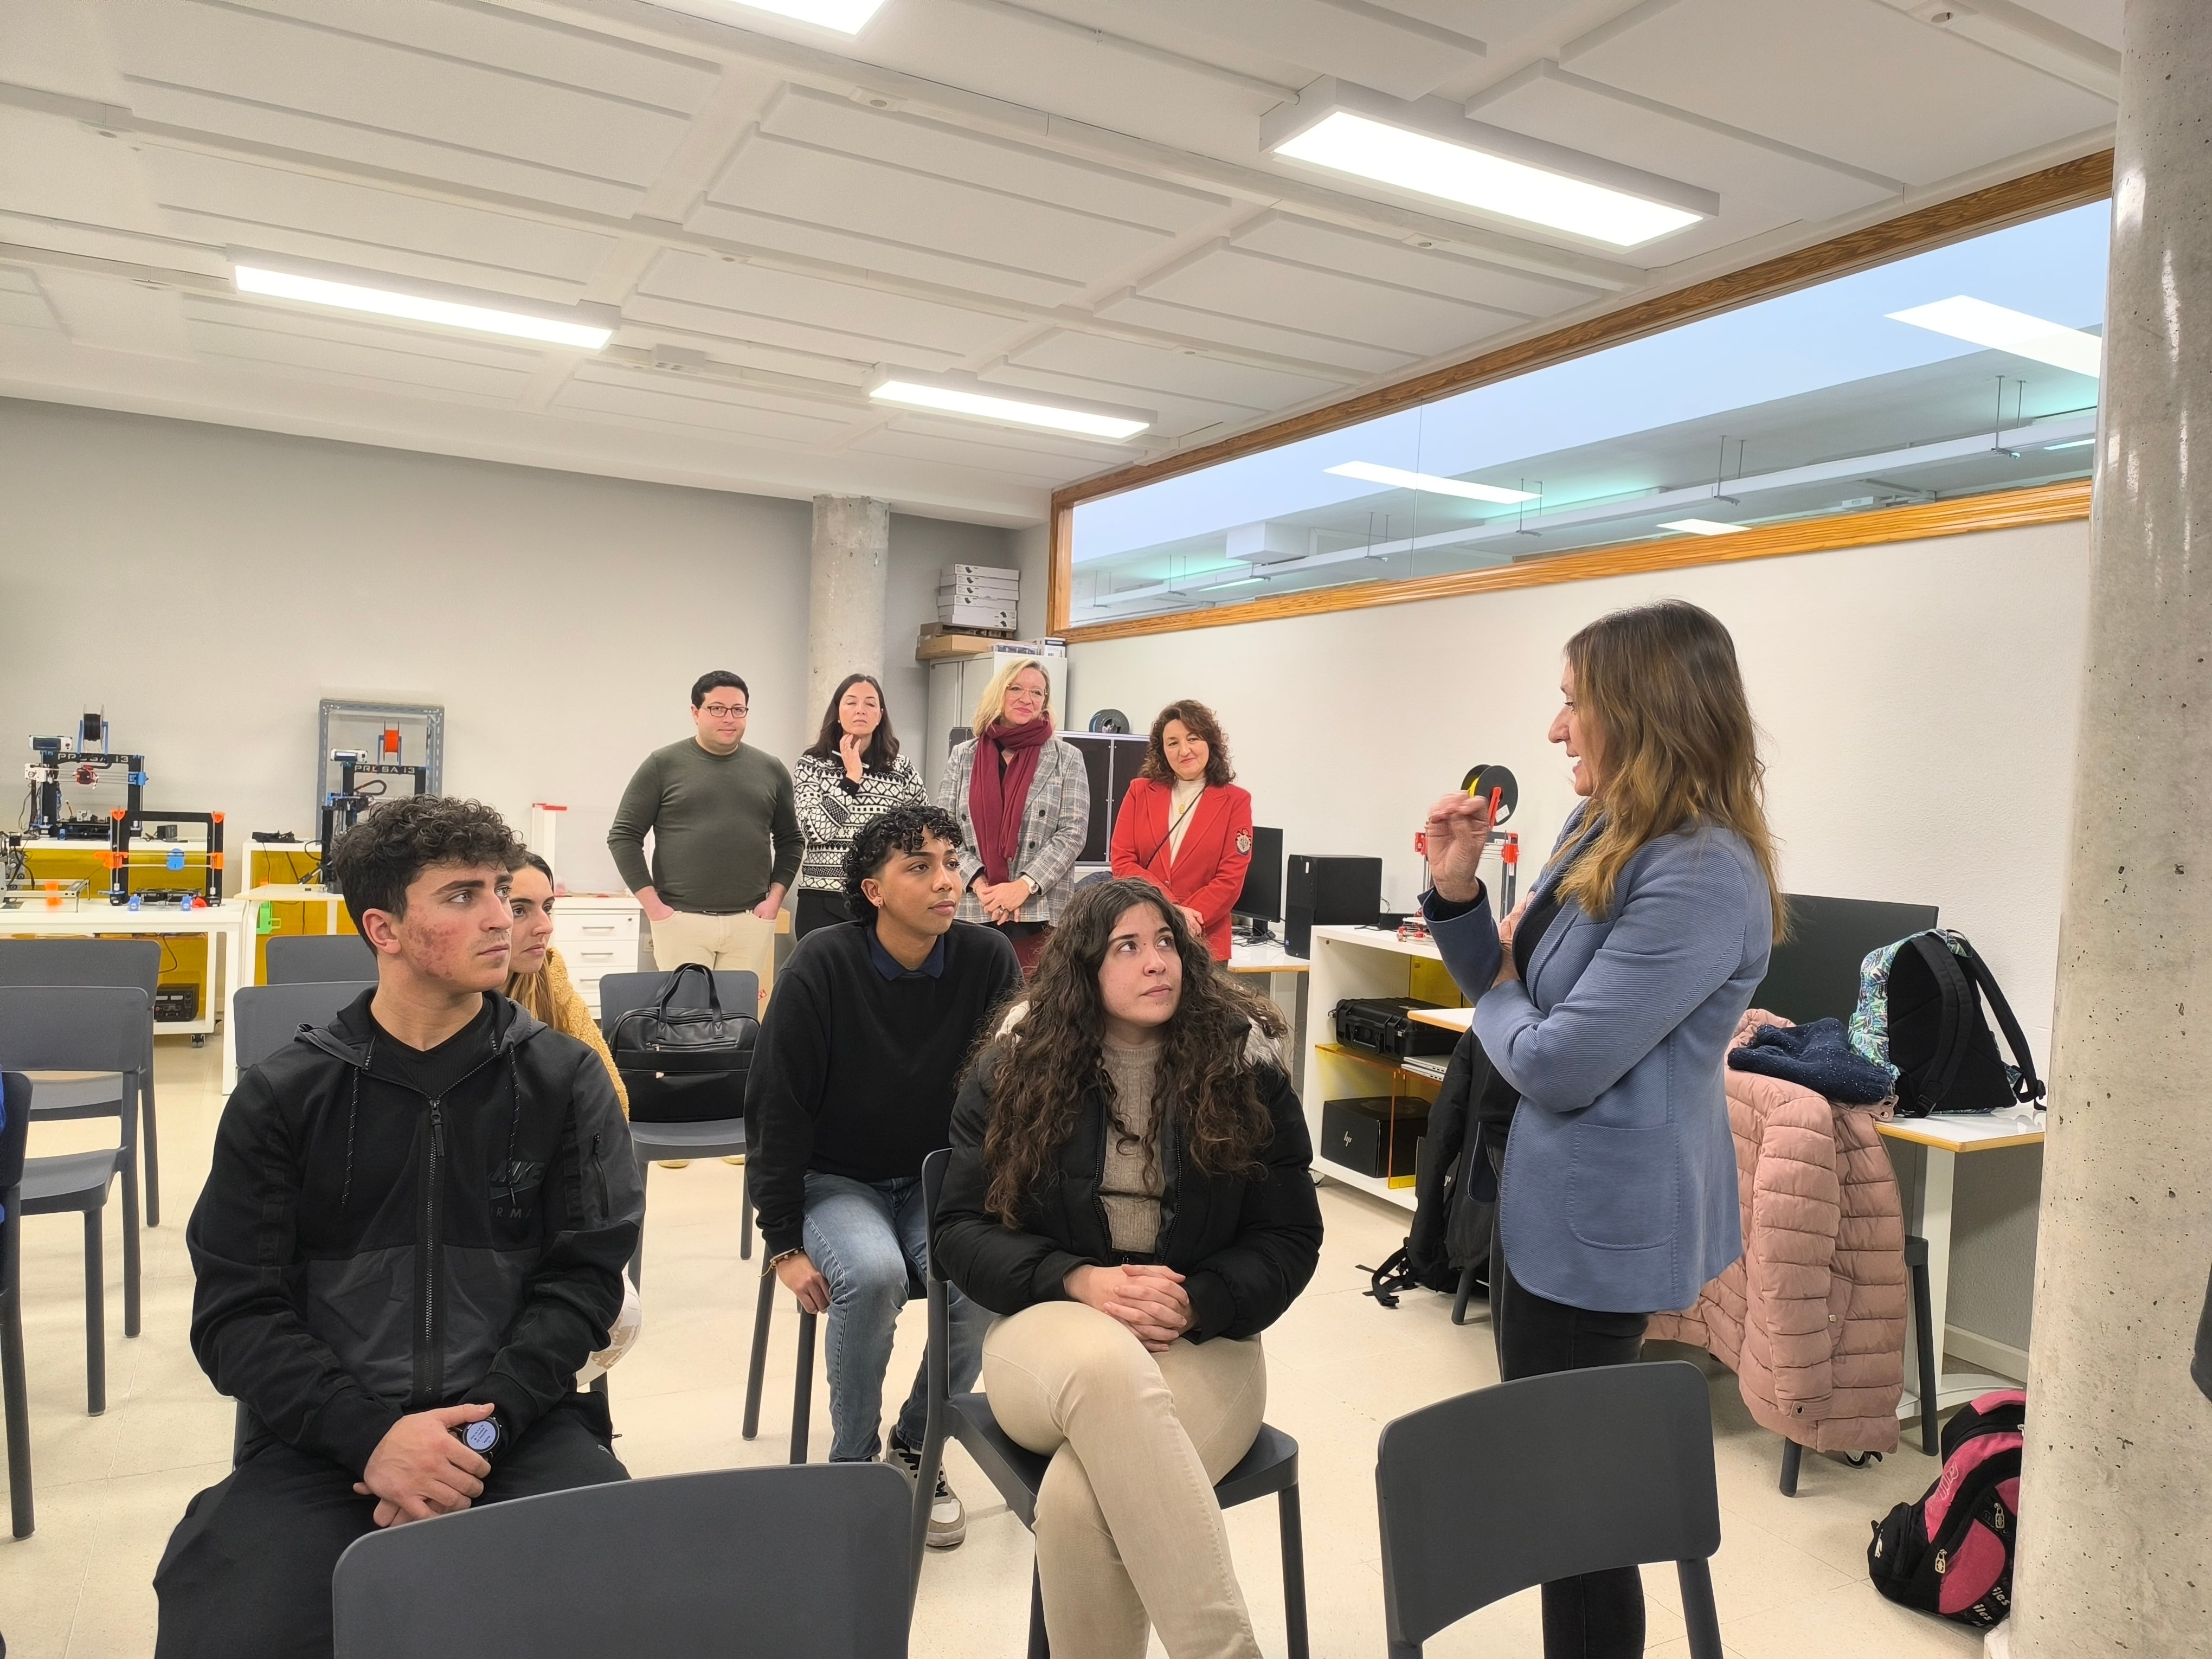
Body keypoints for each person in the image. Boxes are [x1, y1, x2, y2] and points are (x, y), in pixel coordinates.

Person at [155, 797, 642, 1659]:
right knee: (226, 1617)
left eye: (502, 889)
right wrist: (372, 1438)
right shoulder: (283, 1097)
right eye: (463, 896)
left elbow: (583, 1286)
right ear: (382, 926)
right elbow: (236, 1315)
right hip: (324, 1443)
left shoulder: (566, 1082)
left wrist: (475, 1438)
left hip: (516, 1431)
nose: (502, 917)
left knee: (632, 1607)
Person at [1420, 599, 1782, 1659]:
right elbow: (1515, 982)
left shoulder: (1703, 870)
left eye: (1575, 703)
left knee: (1576, 1523)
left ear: (1644, 710)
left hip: (1597, 1230)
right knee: (1560, 1502)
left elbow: (1557, 1061)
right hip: (1545, 1206)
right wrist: (1457, 890)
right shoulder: (1603, 827)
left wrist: (1499, 1009)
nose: (1554, 729)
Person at [934, 879, 1322, 1659]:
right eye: (1128, 947)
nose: (1158, 964)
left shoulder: (1245, 1067)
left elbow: (1289, 1236)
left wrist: (1199, 1302)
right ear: (1083, 966)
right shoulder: (1016, 1065)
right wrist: (1079, 1281)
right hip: (1051, 1335)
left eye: (1168, 943)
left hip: (1202, 1338)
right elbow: (959, 1231)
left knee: (1078, 1506)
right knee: (1107, 1369)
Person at [746, 805, 1021, 1547]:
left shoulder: (988, 958)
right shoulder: (823, 963)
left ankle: (919, 1444)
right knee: (870, 1276)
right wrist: (783, 1243)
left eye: (950, 862)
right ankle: (854, 1463)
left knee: (982, 1282)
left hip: (940, 1181)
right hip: (837, 1181)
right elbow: (778, 1106)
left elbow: (1015, 1091)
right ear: (872, 890)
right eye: (919, 867)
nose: (946, 881)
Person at [608, 671, 802, 998]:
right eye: (717, 709)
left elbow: (791, 840)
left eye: (738, 710)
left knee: (739, 1024)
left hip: (749, 922)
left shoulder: (771, 770)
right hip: (681, 920)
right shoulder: (662, 765)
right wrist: (655, 907)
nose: (729, 718)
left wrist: (774, 901)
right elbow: (623, 837)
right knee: (685, 1024)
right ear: (696, 712)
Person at [935, 655, 1089, 975]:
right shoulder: (964, 756)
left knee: (1032, 1013)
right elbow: (944, 830)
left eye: (1037, 692)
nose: (1027, 699)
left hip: (1039, 912)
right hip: (974, 907)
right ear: (998, 694)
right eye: (1016, 688)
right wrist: (980, 884)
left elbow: (1073, 832)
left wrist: (1024, 886)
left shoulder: (1067, 758)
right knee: (971, 1011)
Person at [1108, 698, 1253, 963]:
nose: (1184, 750)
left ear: (1210, 742)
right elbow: (1122, 861)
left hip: (1205, 941)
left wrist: (1189, 918)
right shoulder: (1139, 792)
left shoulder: (1236, 801)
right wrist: (1171, 910)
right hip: (1144, 936)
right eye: (1173, 743)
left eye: (1193, 738)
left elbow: (1231, 878)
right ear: (1162, 751)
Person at [790, 673, 928, 939]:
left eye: (870, 704)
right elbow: (816, 832)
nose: (860, 710)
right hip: (822, 896)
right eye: (851, 703)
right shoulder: (811, 765)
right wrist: (851, 779)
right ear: (838, 713)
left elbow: (921, 832)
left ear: (880, 715)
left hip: (882, 896)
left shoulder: (901, 769)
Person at [505, 852, 627, 1113]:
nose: (545, 926)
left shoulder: (555, 990)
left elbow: (614, 1099)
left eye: (547, 908)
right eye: (519, 911)